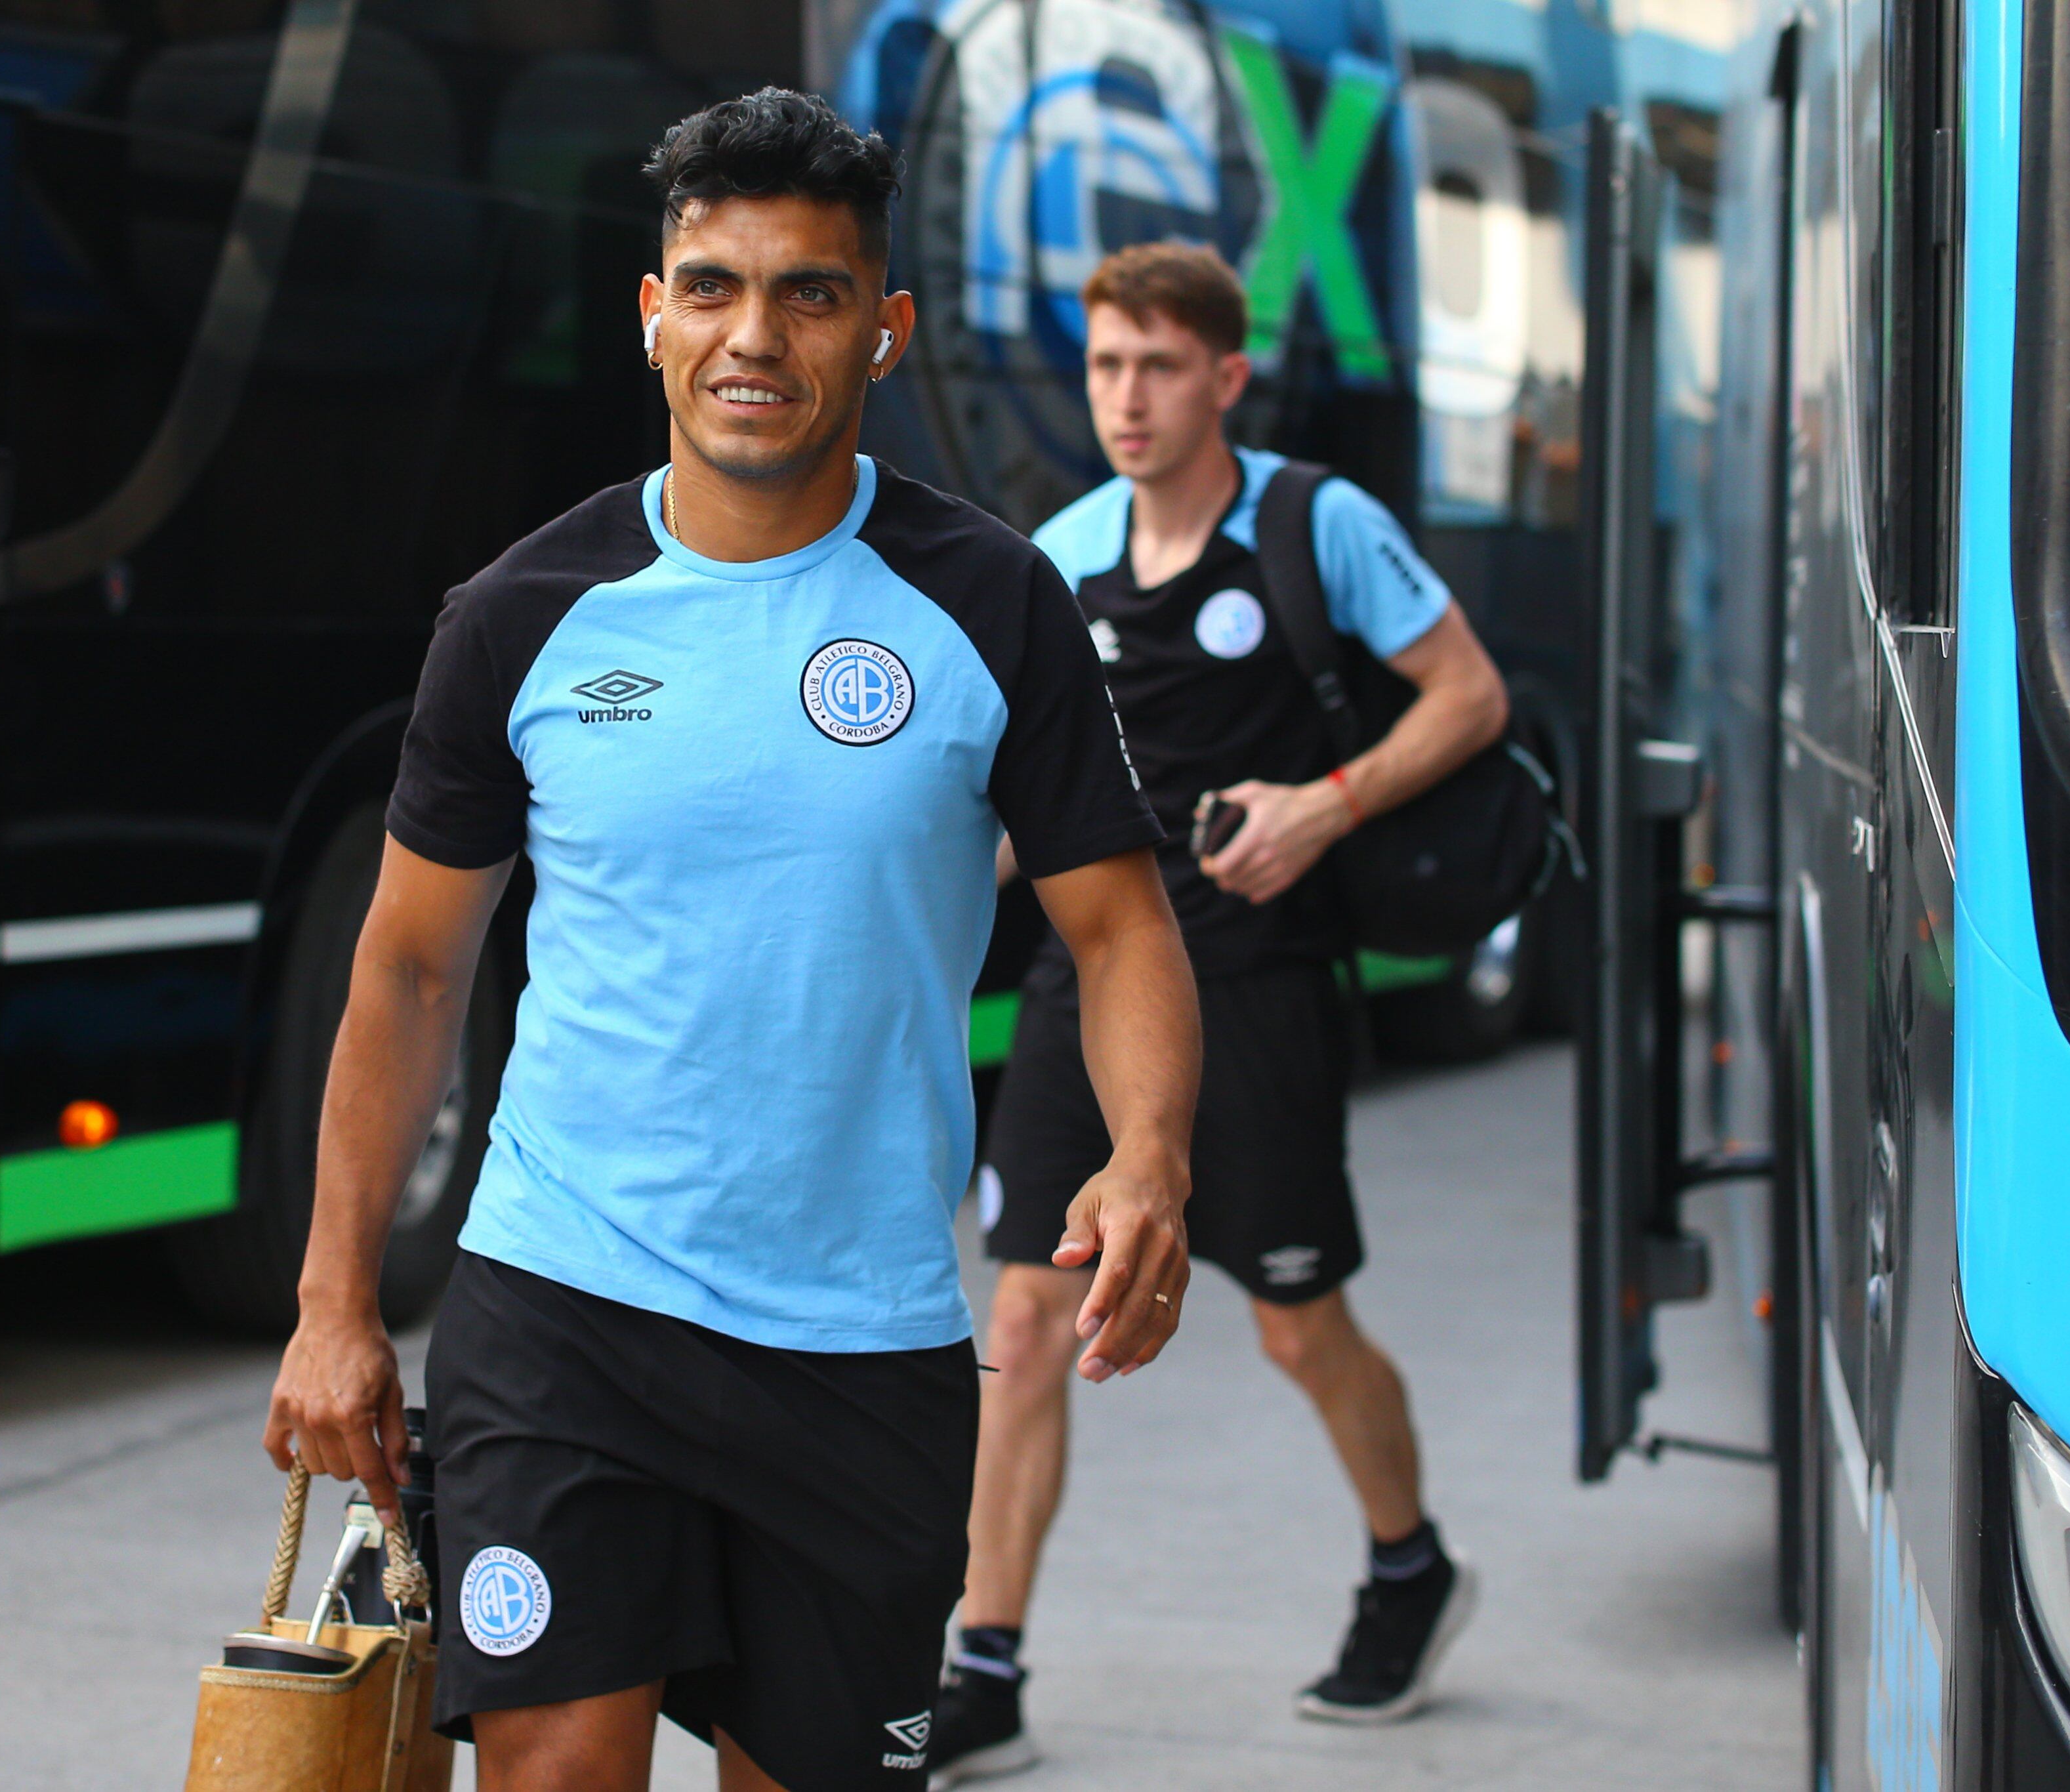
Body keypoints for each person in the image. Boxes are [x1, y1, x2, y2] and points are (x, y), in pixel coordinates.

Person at [265, 90, 1199, 1792]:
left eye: (810, 292)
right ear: (651, 313)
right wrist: (337, 1298)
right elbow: (407, 966)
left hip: (865, 1348)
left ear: (886, 330)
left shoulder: (990, 605)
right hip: (565, 1313)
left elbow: (1123, 926)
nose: (752, 336)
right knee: (552, 1769)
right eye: (710, 286)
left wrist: (1150, 1154)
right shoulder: (522, 617)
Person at [926, 242, 1510, 1783]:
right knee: (1026, 1316)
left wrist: (1323, 804)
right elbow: (1009, 799)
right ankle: (983, 1663)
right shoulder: (1055, 555)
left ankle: (1408, 1567)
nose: (1125, 396)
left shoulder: (1317, 528)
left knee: (1293, 1326)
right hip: (1083, 984)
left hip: (1254, 990)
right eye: (1105, 365)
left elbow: (1469, 695)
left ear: (1224, 378)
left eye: (1157, 366)